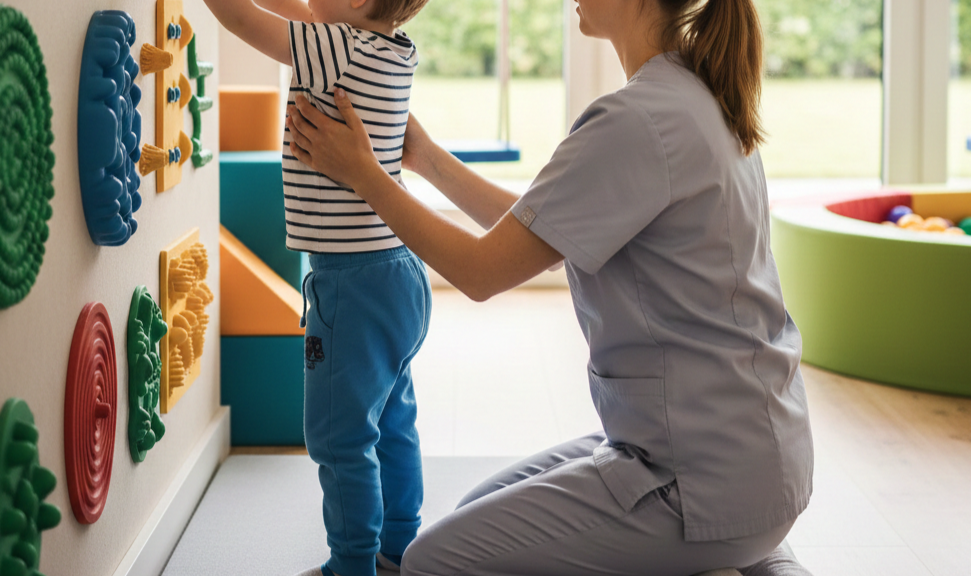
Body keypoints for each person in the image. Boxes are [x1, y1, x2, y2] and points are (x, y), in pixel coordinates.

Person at [285, 0, 816, 571]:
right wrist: (428, 160)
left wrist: (365, 176)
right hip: (732, 451)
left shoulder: (637, 121)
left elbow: (481, 272)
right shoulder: (690, 92)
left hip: (699, 479)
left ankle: (724, 555)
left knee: (429, 565)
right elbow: (539, 232)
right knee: (467, 519)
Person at [202, 0, 431, 575]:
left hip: (349, 284)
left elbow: (239, 18)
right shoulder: (393, 48)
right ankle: (400, 546)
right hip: (400, 273)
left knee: (337, 435)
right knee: (391, 420)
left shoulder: (332, 48)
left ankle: (351, 564)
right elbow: (306, 10)